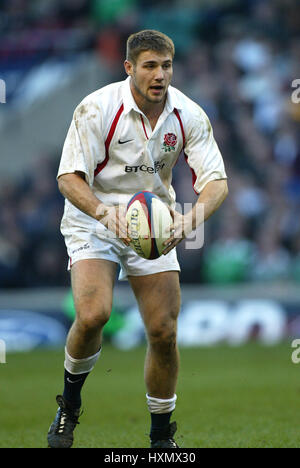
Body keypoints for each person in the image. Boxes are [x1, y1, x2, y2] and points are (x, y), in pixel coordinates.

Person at [47, 29, 228, 449]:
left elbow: (216, 182)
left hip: (155, 222)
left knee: (164, 331)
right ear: (129, 68)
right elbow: (68, 177)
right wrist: (102, 213)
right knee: (94, 314)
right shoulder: (96, 107)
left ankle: (161, 438)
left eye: (166, 65)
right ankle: (69, 406)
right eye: (149, 66)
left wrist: (188, 222)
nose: (160, 74)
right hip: (93, 216)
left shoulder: (189, 114)